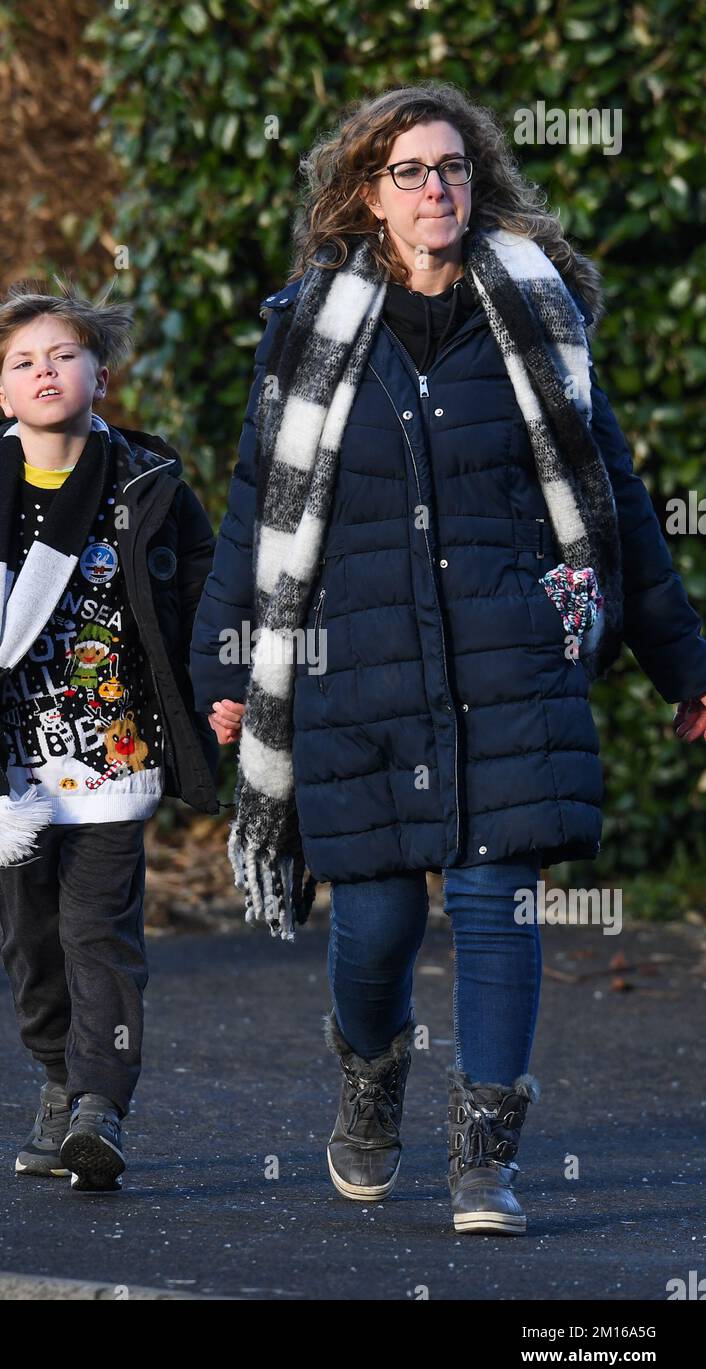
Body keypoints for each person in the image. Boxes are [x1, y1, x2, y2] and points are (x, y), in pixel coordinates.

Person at [189, 82, 706, 1234]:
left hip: (505, 658)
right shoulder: (308, 326)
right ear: (368, 194)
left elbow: (610, 494)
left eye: (454, 169)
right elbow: (253, 508)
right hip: (354, 668)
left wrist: (684, 664)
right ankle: (369, 1081)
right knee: (373, 925)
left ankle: (487, 1155)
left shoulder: (536, 313)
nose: (438, 189)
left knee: (493, 903)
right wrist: (223, 665)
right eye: (411, 171)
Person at [0, 277, 220, 1192]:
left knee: (97, 935)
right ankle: (57, 1078)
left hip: (116, 756)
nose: (43, 371)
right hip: (1, 762)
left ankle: (99, 1110)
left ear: (99, 377)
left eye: (62, 355)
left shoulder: (150, 480)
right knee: (30, 939)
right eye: (21, 362)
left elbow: (207, 600)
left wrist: (221, 694)